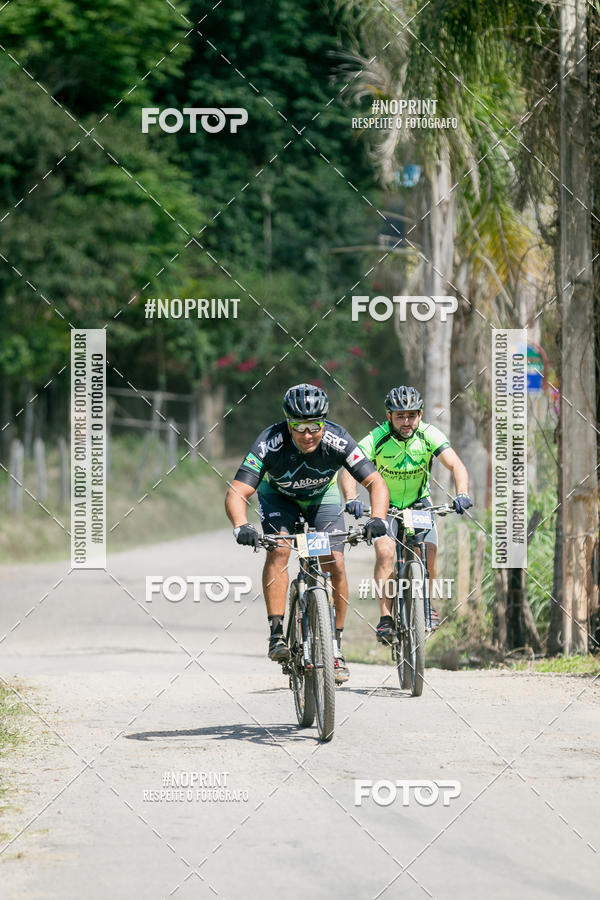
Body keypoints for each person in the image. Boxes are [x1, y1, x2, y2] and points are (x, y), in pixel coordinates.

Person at [225, 383, 389, 682]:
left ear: (324, 422)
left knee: (334, 560)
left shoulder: (337, 440)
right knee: (281, 550)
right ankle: (277, 633)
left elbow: (376, 483)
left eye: (315, 426)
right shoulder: (270, 441)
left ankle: (335, 647)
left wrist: (378, 518)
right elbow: (237, 492)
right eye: (299, 427)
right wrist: (241, 525)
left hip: (321, 499)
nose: (308, 434)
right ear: (288, 423)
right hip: (278, 499)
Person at [340, 385, 472, 643]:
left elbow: (455, 464)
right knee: (385, 552)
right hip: (385, 507)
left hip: (419, 503)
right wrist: (352, 498)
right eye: (400, 416)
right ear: (388, 416)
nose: (406, 421)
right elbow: (348, 469)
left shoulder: (428, 435)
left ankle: (427, 604)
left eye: (411, 415)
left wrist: (462, 493)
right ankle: (386, 618)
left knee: (430, 554)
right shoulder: (376, 438)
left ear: (420, 415)